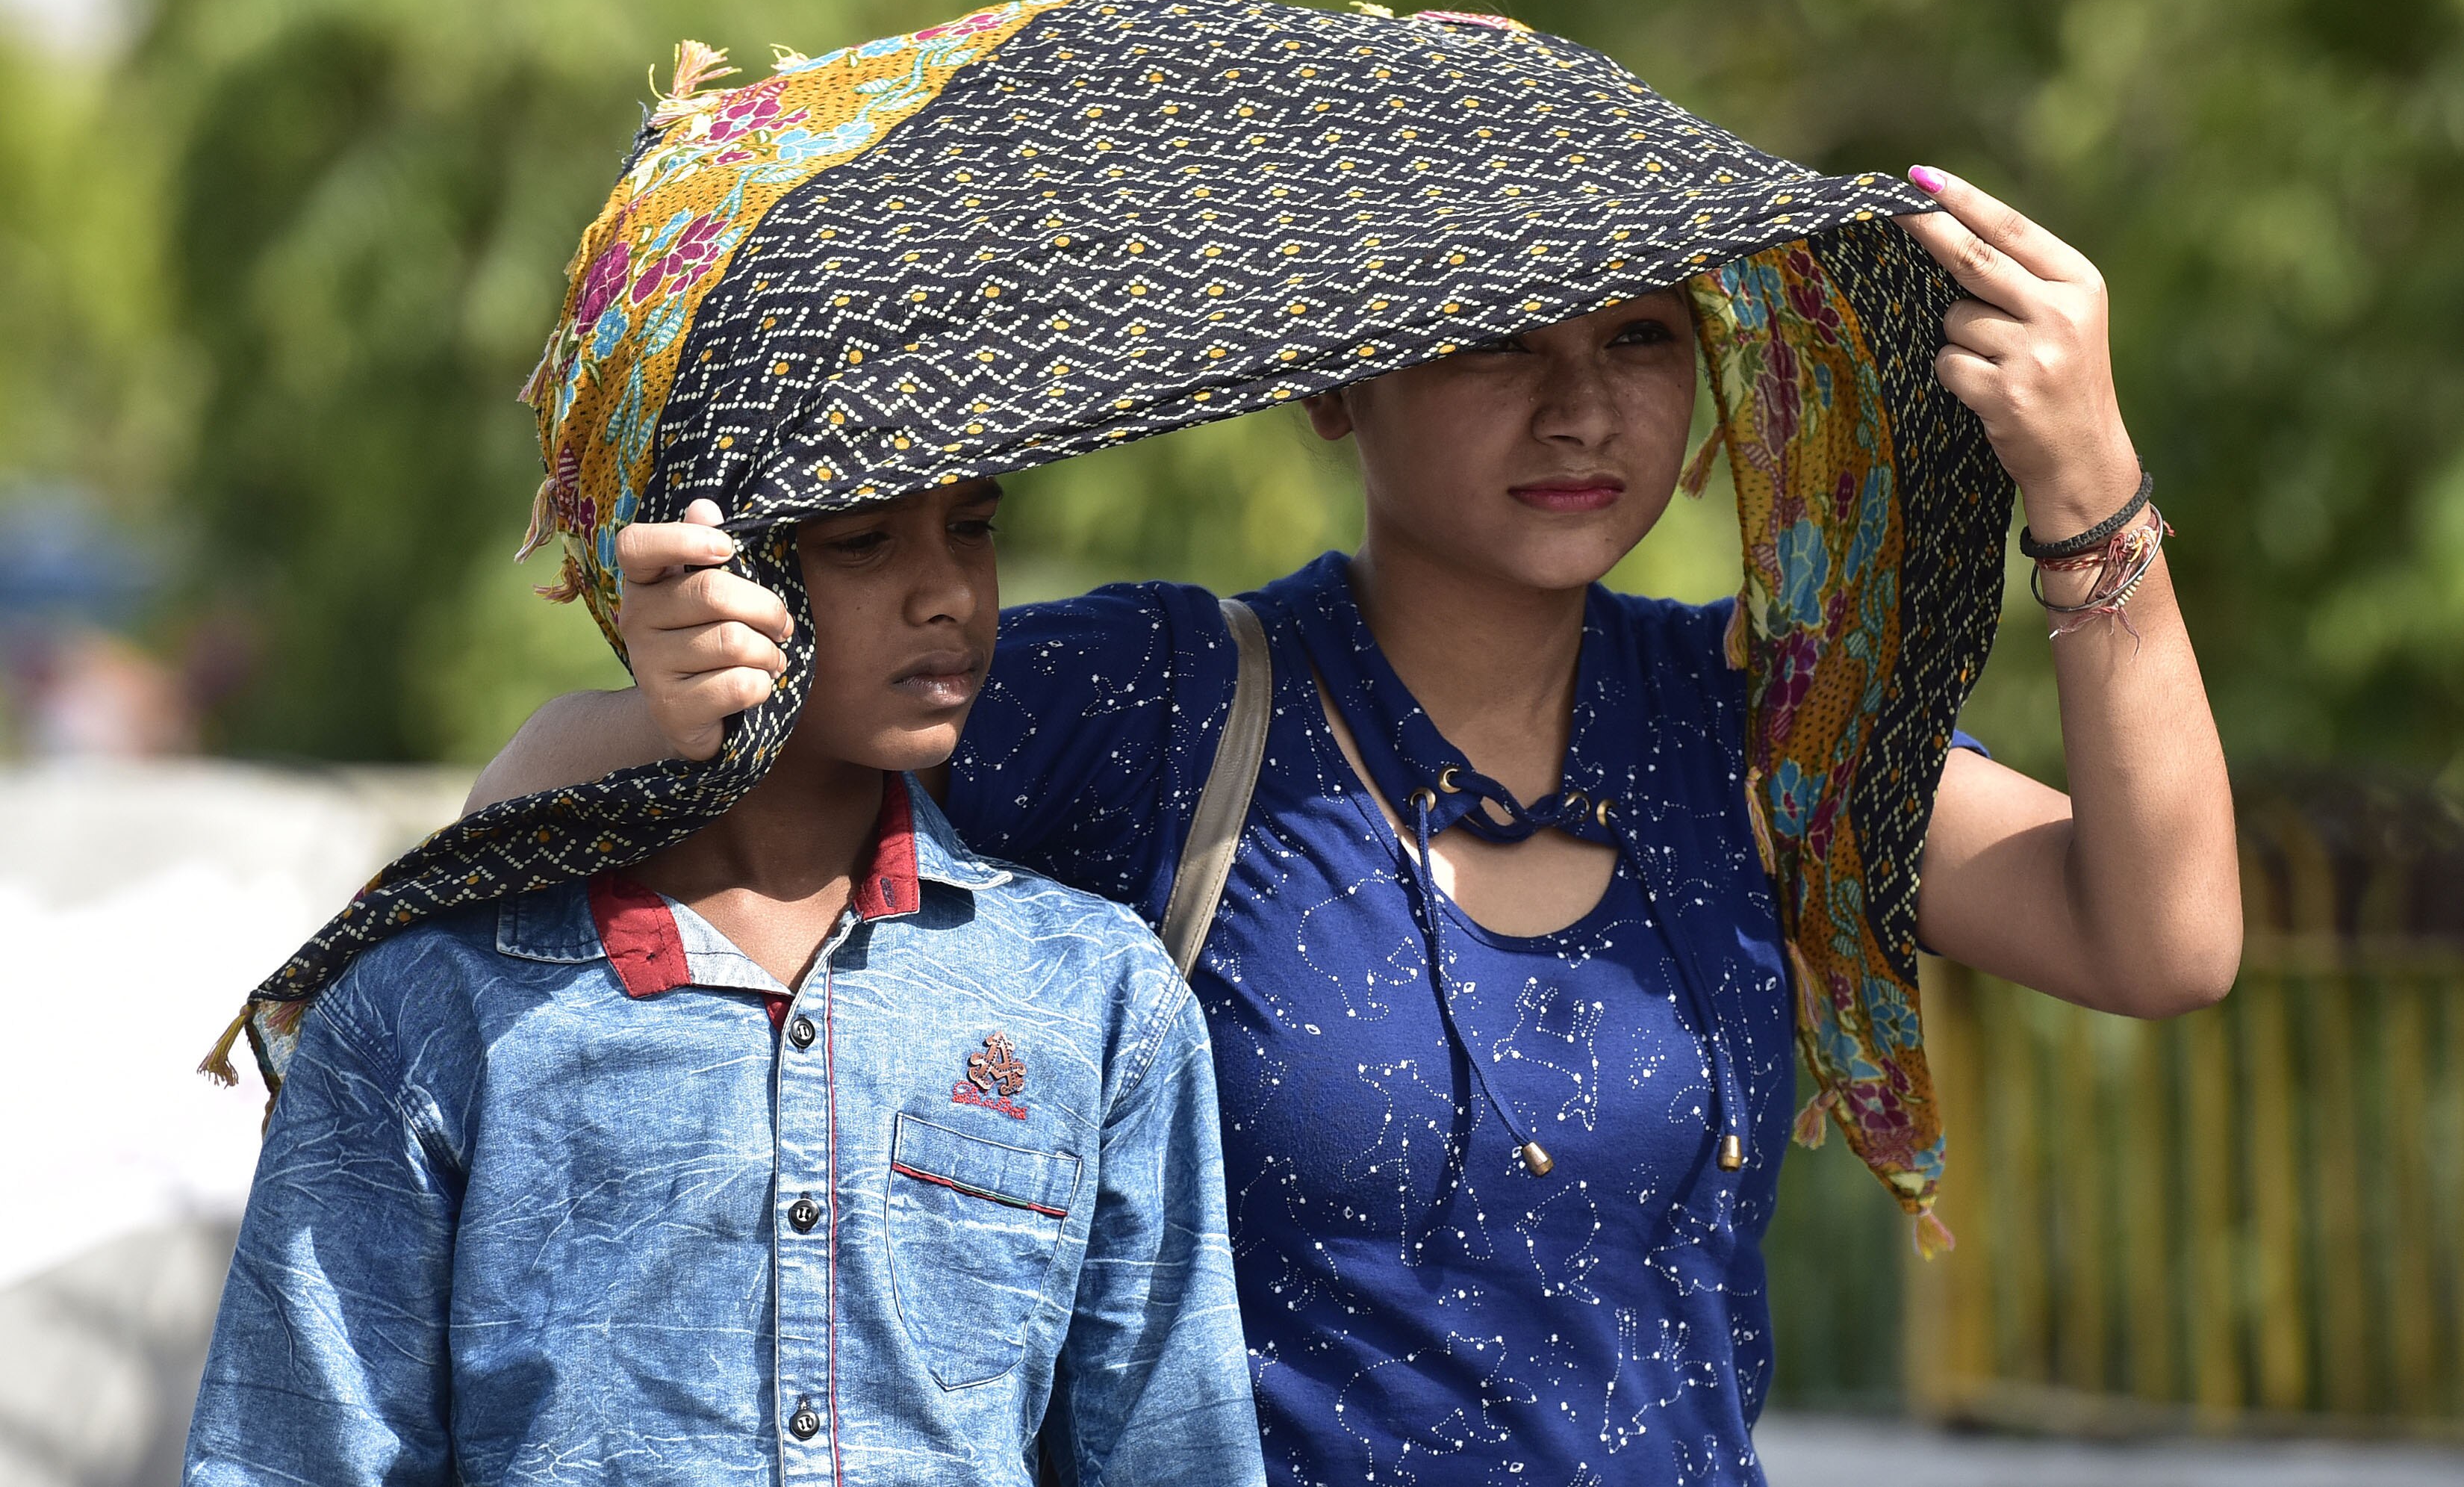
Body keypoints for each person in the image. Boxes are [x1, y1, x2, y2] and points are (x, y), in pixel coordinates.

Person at [469, 163, 2241, 1484]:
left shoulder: (1748, 724)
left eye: (1638, 337)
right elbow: (533, 833)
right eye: (1495, 335)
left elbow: (2159, 938)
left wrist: (2089, 498)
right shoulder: (1161, 703)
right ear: (1336, 379)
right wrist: (676, 706)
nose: (1581, 405)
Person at [185, 477, 1267, 1485]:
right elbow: (294, 1451)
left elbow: (1177, 1448)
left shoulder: (1094, 995)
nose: (948, 592)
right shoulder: (430, 1009)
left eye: (973, 527)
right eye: (863, 540)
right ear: (700, 568)